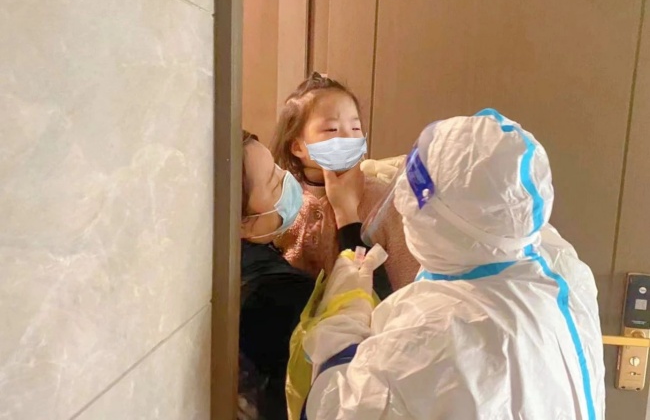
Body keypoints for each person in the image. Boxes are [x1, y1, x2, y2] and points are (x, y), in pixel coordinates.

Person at [299, 109, 606, 420]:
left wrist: (344, 320)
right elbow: (491, 195)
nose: (402, 205)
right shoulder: (562, 267)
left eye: (409, 198)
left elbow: (332, 408)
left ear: (434, 218)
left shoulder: (436, 328)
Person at [237, 130, 379, 419]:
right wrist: (348, 215)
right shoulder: (279, 297)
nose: (286, 179)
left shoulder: (234, 260)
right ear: (242, 223)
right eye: (274, 183)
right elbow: (362, 308)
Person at [270, 73, 419, 297]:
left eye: (356, 128)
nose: (348, 137)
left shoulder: (383, 200)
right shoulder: (281, 198)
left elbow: (407, 288)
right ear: (298, 147)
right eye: (332, 129)